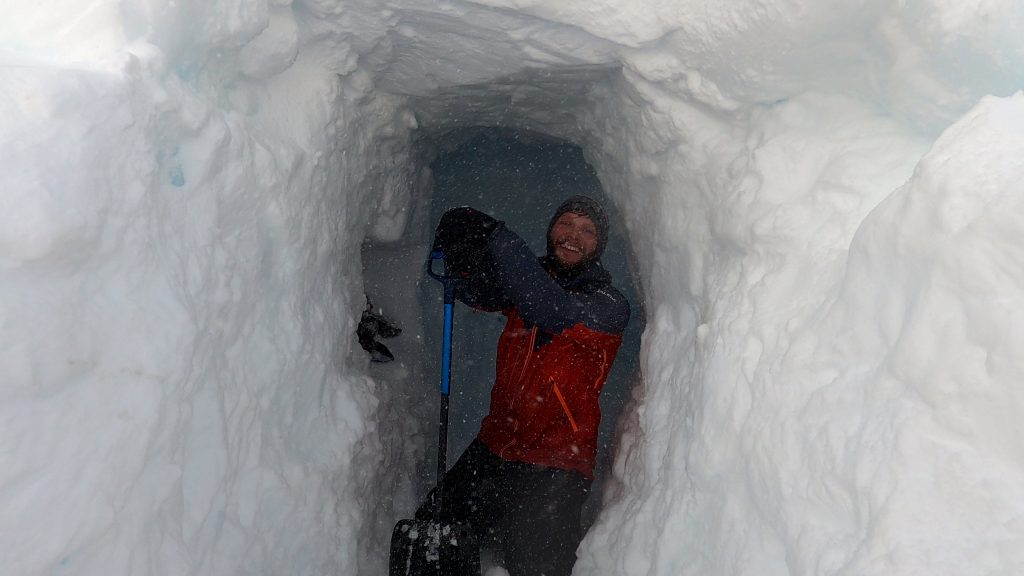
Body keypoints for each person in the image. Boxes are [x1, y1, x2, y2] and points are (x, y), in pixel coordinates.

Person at [417, 195, 630, 576]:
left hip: (557, 463)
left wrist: (498, 237)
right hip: (497, 446)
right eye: (566, 223)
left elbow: (550, 309)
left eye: (587, 230)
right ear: (551, 229)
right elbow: (480, 291)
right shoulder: (529, 282)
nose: (572, 235)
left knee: (534, 566)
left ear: (599, 246)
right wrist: (462, 259)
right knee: (433, 539)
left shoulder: (608, 305)